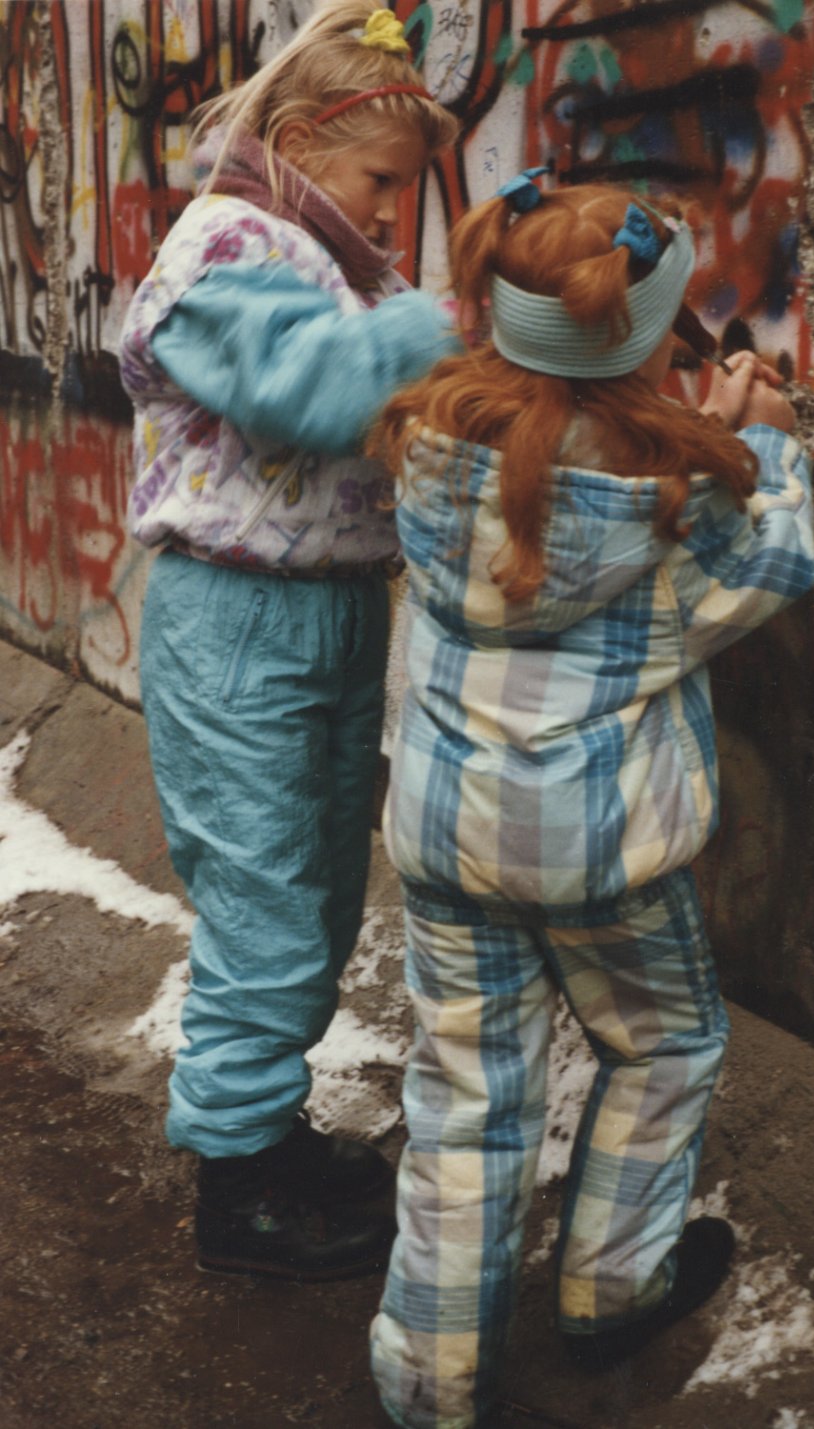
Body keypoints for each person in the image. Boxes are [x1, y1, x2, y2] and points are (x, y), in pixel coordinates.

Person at [367, 172, 814, 1427]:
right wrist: (761, 435)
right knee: (664, 1042)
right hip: (602, 852)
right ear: (648, 339)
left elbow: (553, 441)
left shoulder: (430, 441)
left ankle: (428, 1379)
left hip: (450, 836)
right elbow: (778, 558)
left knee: (465, 1100)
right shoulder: (676, 503)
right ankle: (611, 1289)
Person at [117, 2, 459, 1282]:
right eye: (379, 181)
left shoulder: (328, 256)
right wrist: (447, 320)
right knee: (261, 897)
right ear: (309, 134)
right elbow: (308, 390)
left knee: (312, 892)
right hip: (238, 620)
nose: (388, 213)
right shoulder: (224, 247)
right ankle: (240, 1191)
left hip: (330, 613)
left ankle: (269, 1126)